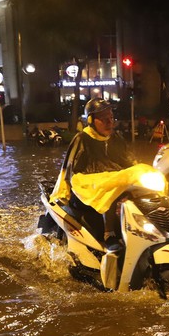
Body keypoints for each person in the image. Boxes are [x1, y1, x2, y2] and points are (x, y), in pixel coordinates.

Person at [51, 98, 138, 250]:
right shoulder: (82, 139)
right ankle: (108, 234)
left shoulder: (116, 138)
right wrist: (101, 178)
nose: (109, 122)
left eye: (111, 118)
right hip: (86, 187)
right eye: (104, 119)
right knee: (110, 188)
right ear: (90, 120)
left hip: (113, 181)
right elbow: (72, 171)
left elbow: (129, 161)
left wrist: (139, 170)